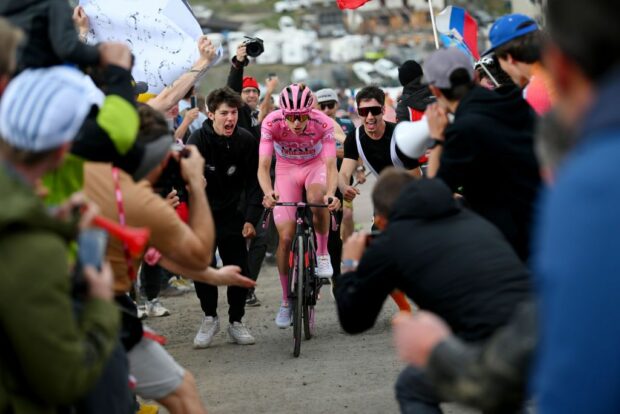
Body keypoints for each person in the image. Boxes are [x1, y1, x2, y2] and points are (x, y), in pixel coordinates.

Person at [84, 103, 249, 413]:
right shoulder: (136, 198)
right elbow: (199, 251)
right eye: (165, 152)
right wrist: (197, 187)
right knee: (178, 393)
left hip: (98, 308)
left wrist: (213, 276)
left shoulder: (93, 173)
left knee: (175, 389)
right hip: (90, 316)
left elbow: (154, 249)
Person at [333, 168, 530, 414]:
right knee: (503, 390)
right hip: (539, 333)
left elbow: (354, 320)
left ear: (381, 220)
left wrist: (350, 265)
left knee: (412, 386)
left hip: (498, 348)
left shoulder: (391, 242)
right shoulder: (469, 215)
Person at [0, 65, 119, 413]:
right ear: (63, 148)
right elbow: (66, 378)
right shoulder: (36, 251)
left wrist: (54, 225)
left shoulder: (25, 224)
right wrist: (100, 303)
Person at [424, 48, 541, 262]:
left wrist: (438, 139)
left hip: (514, 248)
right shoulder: (514, 100)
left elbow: (435, 196)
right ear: (476, 77)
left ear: (435, 90)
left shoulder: (463, 131)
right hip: (549, 223)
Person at [258, 83, 340, 328]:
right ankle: (285, 301)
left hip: (314, 167)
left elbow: (330, 166)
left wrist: (331, 194)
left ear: (309, 112)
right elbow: (263, 167)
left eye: (301, 116)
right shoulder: (271, 123)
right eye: (291, 117)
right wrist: (268, 193)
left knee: (317, 199)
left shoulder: (322, 122)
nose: (296, 122)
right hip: (286, 171)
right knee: (285, 238)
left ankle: (323, 253)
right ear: (283, 113)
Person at [187, 87, 261, 347]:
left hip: (234, 214)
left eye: (233, 113)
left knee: (239, 269)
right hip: (203, 214)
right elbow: (184, 175)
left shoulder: (245, 140)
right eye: (224, 113)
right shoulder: (197, 139)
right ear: (211, 115)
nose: (230, 118)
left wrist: (251, 218)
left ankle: (236, 321)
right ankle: (209, 317)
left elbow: (255, 181)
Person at [339, 86, 420, 209]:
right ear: (358, 112)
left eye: (375, 110)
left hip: (410, 196)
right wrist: (344, 187)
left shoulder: (400, 136)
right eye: (364, 112)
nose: (370, 117)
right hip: (386, 198)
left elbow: (415, 178)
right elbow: (344, 173)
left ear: (383, 110)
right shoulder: (353, 138)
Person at [483, 13, 553, 115]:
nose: (502, 68)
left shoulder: (535, 92)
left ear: (509, 58)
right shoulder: (563, 69)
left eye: (499, 60)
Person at [316, 87, 361, 242]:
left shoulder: (348, 124)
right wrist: (337, 152)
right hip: (321, 179)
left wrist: (360, 170)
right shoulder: (313, 126)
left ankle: (348, 252)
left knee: (346, 216)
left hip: (344, 177)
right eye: (322, 106)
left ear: (337, 104)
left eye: (330, 105)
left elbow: (357, 150)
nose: (327, 110)